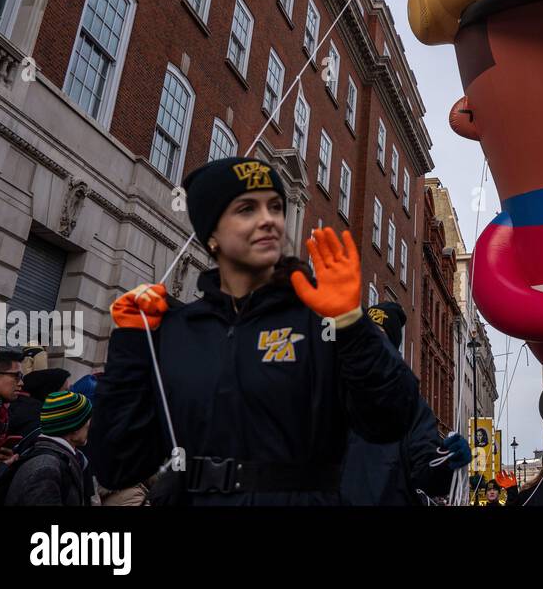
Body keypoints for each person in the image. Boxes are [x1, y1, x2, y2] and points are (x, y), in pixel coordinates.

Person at [89, 157, 421, 505]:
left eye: (275, 207)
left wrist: (352, 324)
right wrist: (130, 344)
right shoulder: (180, 330)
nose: (268, 220)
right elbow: (118, 464)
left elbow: (392, 418)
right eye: (246, 209)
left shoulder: (318, 322)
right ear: (211, 234)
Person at [341, 302, 471, 505]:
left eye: (380, 336)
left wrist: (447, 461)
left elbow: (428, 475)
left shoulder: (412, 408)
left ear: (391, 347)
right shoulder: (329, 391)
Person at [0, 391, 96, 506]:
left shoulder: (59, 458)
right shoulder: (46, 467)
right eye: (88, 419)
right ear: (75, 427)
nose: (90, 425)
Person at [5, 367, 70, 438]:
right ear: (50, 391)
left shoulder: (17, 405)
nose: (69, 395)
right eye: (65, 391)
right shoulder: (39, 418)